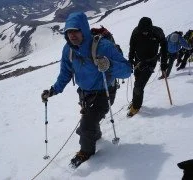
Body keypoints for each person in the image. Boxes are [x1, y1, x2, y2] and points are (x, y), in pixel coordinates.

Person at [41, 12, 131, 166]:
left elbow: (127, 70)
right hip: (84, 93)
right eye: (69, 32)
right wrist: (53, 90)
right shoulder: (68, 50)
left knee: (86, 126)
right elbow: (65, 73)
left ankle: (86, 152)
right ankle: (94, 135)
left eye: (75, 31)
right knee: (88, 122)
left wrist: (109, 65)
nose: (72, 35)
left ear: (83, 29)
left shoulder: (103, 46)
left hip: (104, 92)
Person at [127, 17, 168, 117]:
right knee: (137, 83)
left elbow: (164, 46)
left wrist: (163, 63)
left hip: (150, 62)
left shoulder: (157, 32)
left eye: (146, 31)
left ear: (150, 28)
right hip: (137, 62)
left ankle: (136, 107)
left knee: (139, 86)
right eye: (142, 31)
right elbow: (132, 47)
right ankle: (135, 101)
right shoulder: (136, 32)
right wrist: (130, 60)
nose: (144, 33)